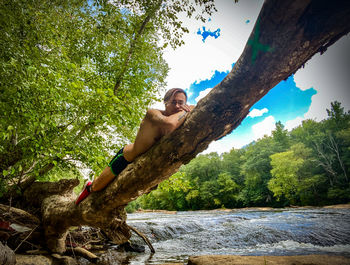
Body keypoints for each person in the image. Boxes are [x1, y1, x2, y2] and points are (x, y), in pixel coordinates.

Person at [75, 88, 194, 204]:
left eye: (181, 103)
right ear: (165, 102)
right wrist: (185, 111)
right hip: (125, 158)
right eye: (174, 102)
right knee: (96, 188)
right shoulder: (153, 114)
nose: (178, 106)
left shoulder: (181, 117)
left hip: (147, 164)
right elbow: (170, 124)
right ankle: (88, 186)